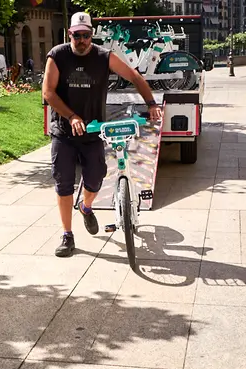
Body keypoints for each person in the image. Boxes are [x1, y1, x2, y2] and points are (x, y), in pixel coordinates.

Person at [42, 12, 163, 257]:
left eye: (86, 35)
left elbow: (134, 76)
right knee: (63, 183)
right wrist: (71, 116)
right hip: (64, 132)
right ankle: (67, 235)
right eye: (77, 35)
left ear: (92, 35)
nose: (82, 40)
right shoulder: (57, 55)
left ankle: (86, 207)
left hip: (93, 131)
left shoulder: (104, 56)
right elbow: (48, 92)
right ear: (70, 34)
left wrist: (151, 103)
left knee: (95, 178)